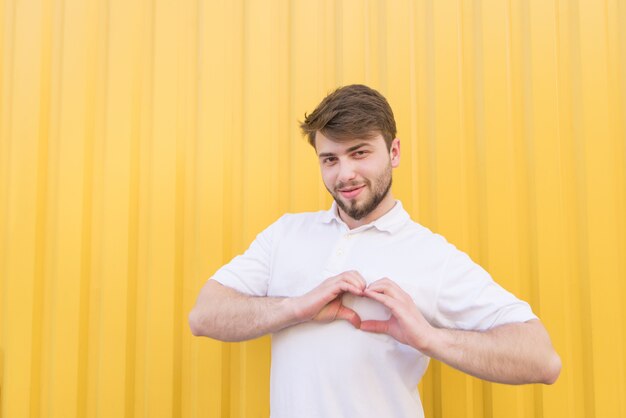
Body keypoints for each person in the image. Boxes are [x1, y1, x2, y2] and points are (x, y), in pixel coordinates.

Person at [189, 84, 561, 418]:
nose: (344, 174)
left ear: (394, 152)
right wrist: (295, 307)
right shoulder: (285, 233)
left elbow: (542, 360)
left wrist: (429, 338)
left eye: (359, 152)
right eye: (330, 159)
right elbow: (204, 315)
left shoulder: (431, 255)